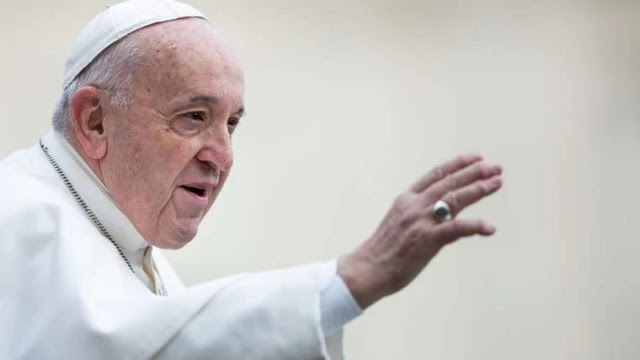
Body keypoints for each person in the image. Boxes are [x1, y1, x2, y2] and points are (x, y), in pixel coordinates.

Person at [0, 0, 503, 359]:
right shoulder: (20, 213)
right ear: (95, 122)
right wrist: (352, 278)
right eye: (194, 116)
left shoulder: (126, 247)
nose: (222, 156)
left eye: (231, 124)